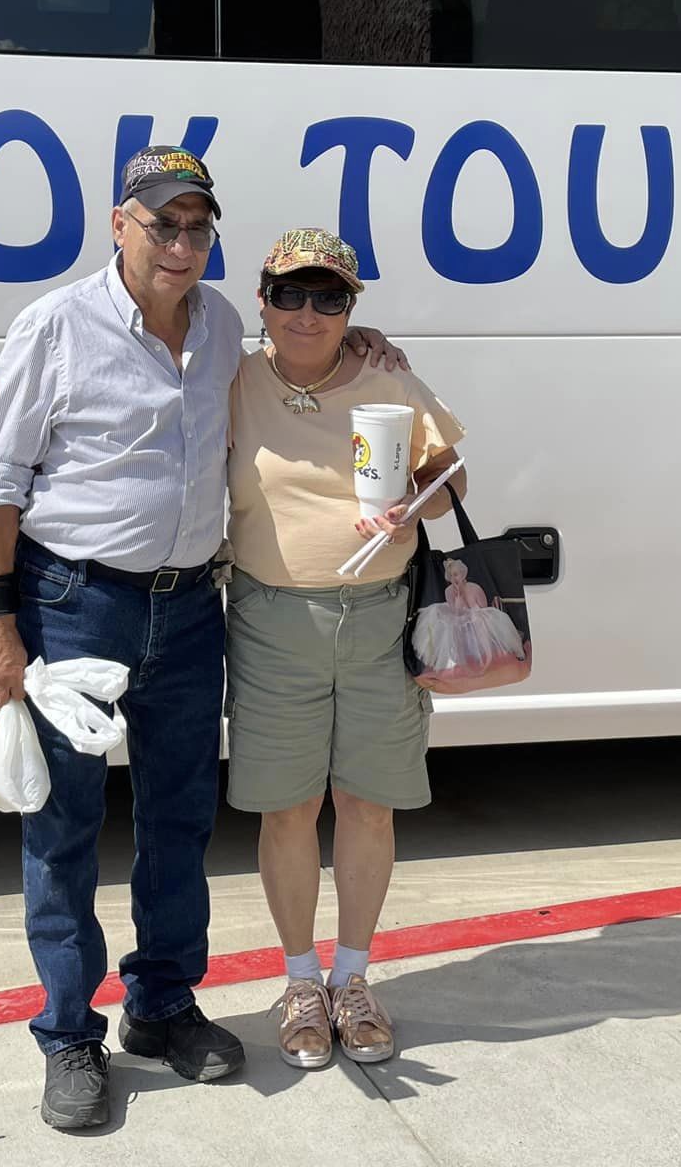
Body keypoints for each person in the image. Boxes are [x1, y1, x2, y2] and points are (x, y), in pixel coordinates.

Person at [0, 151, 401, 1131]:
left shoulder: (217, 327)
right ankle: (69, 1033)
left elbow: (298, 365)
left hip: (187, 608)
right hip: (73, 603)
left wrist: (354, 345)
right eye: (162, 225)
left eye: (197, 228)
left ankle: (160, 1007)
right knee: (65, 828)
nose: (180, 244)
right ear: (118, 225)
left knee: (177, 821)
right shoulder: (54, 325)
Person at [222, 228, 465, 1070]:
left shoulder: (385, 375)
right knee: (287, 807)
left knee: (367, 802)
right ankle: (299, 982)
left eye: (330, 298)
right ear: (263, 300)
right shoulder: (233, 379)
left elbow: (452, 477)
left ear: (352, 308)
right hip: (270, 618)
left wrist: (410, 502)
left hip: (378, 616)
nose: (307, 312)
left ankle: (354, 979)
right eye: (290, 294)